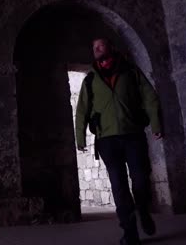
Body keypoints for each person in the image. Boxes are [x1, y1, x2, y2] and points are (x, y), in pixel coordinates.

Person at [75, 38, 163, 245]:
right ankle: (130, 232)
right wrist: (80, 137)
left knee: (140, 179)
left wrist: (156, 124)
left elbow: (150, 96)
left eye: (100, 45)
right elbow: (81, 111)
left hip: (133, 136)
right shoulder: (90, 80)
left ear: (111, 48)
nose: (96, 48)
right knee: (119, 186)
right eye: (93, 46)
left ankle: (143, 210)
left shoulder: (131, 72)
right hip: (107, 140)